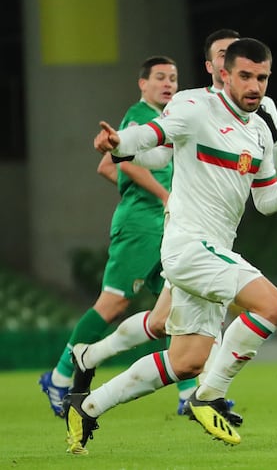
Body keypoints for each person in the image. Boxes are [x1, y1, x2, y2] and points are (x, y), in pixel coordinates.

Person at [65, 38, 277, 454]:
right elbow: (153, 136)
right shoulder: (193, 107)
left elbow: (265, 200)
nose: (254, 86)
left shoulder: (259, 130)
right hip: (188, 245)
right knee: (272, 305)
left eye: (261, 78)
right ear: (223, 73)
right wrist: (118, 145)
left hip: (212, 251)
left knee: (186, 360)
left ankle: (89, 407)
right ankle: (208, 396)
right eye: (245, 76)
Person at [38, 56, 180, 418]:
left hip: (162, 223)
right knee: (113, 303)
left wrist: (143, 191)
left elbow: (106, 165)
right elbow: (124, 162)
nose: (168, 84)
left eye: (173, 79)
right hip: (142, 225)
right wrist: (161, 195)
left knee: (177, 302)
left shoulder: (167, 120)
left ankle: (190, 392)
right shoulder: (139, 115)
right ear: (142, 84)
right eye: (160, 77)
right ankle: (59, 376)